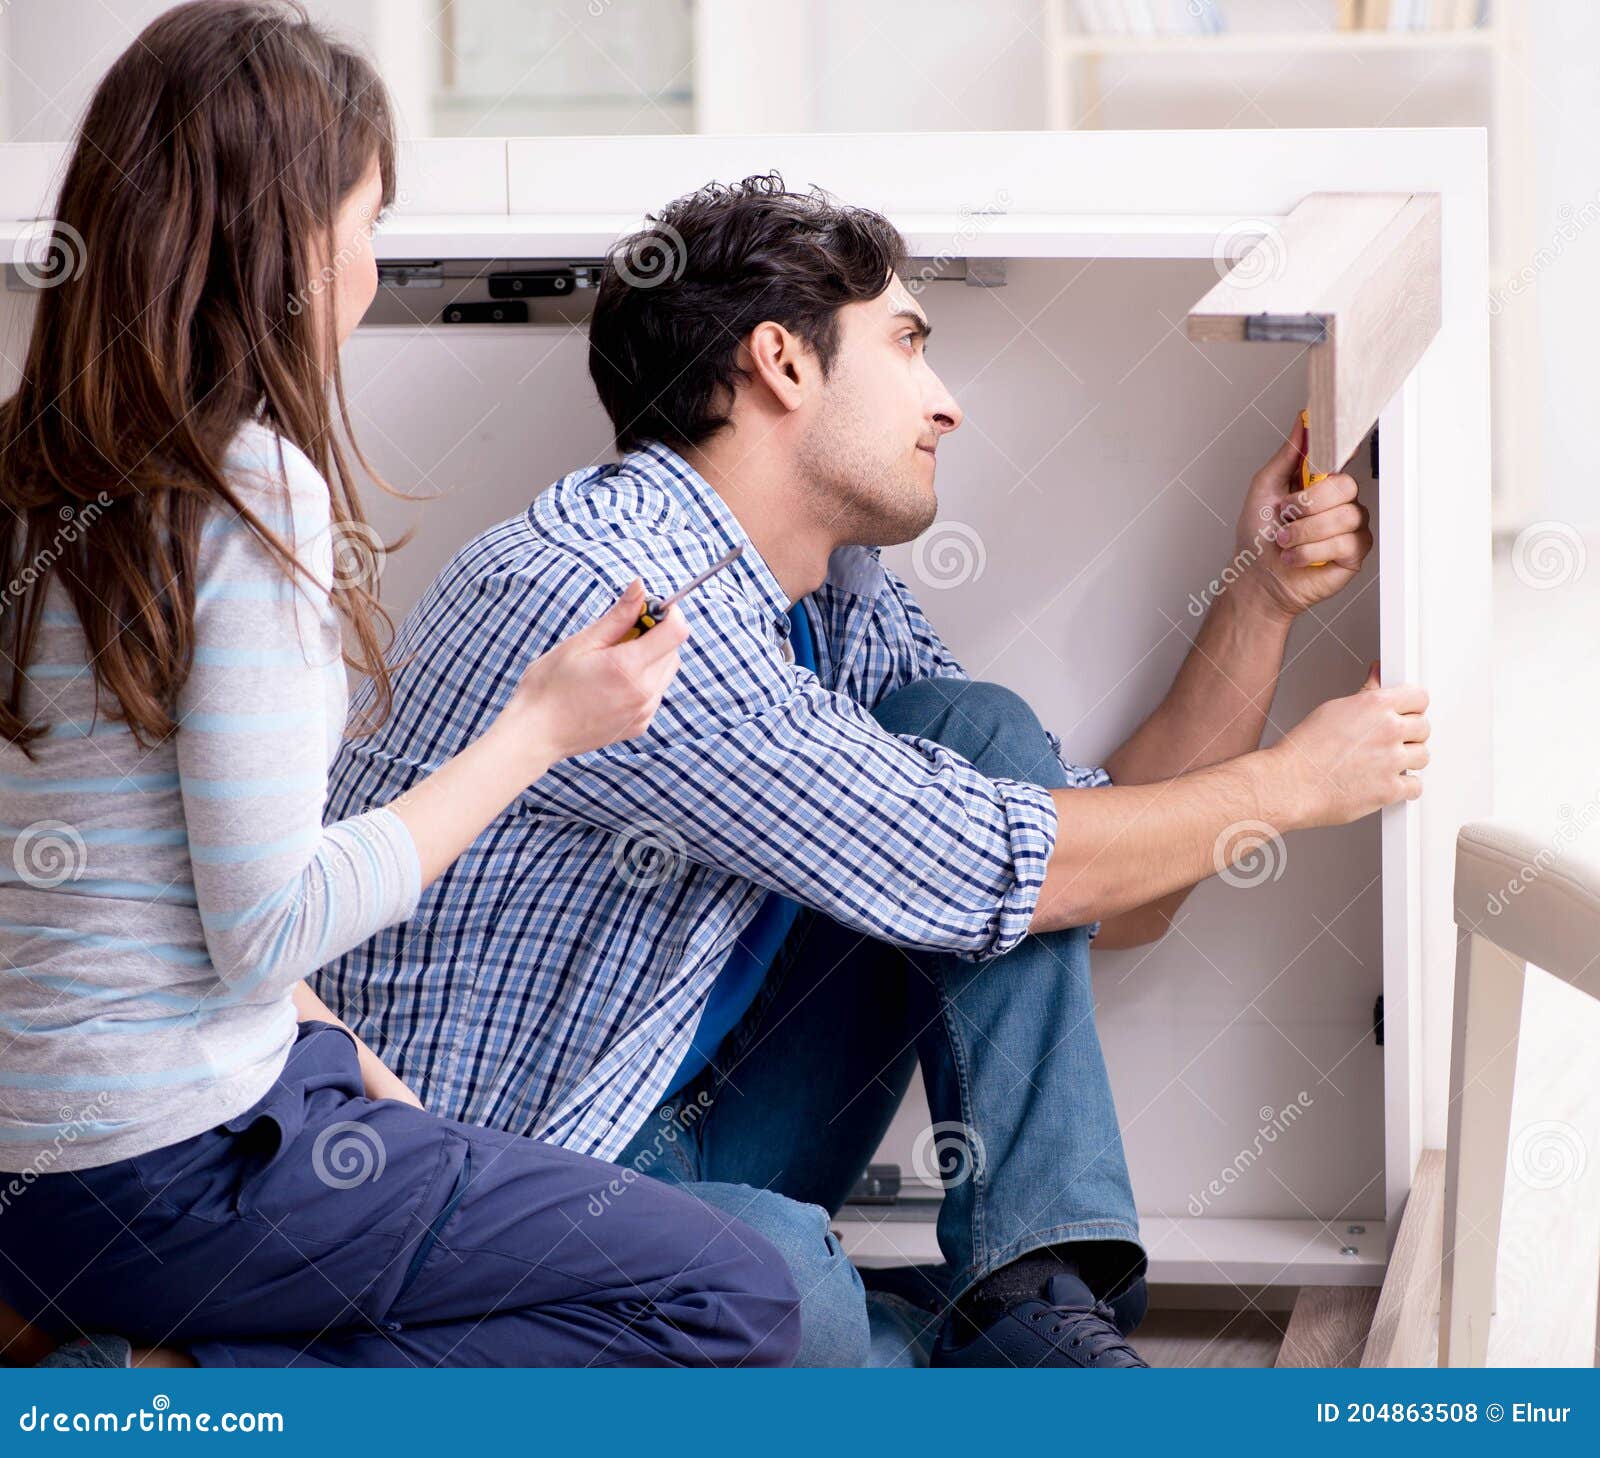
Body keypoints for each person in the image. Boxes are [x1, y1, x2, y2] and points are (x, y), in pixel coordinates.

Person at [319, 180, 1430, 1368]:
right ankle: (923, 1346)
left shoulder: (833, 602)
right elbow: (1006, 867)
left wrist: (1257, 599)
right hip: (513, 1204)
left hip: (687, 1132)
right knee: (796, 1291)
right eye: (907, 345)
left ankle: (1034, 1309)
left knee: (977, 735)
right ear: (780, 364)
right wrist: (1287, 788)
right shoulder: (611, 593)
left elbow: (1110, 896)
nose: (945, 406)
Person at [0, 3, 800, 1371]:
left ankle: (138, 1351)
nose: (373, 267)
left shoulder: (26, 471)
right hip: (167, 1168)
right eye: (370, 225)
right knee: (737, 1293)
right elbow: (270, 917)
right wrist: (541, 730)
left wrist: (330, 1048)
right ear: (294, 244)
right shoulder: (245, 495)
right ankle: (189, 1389)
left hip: (49, 1163)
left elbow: (123, 890)